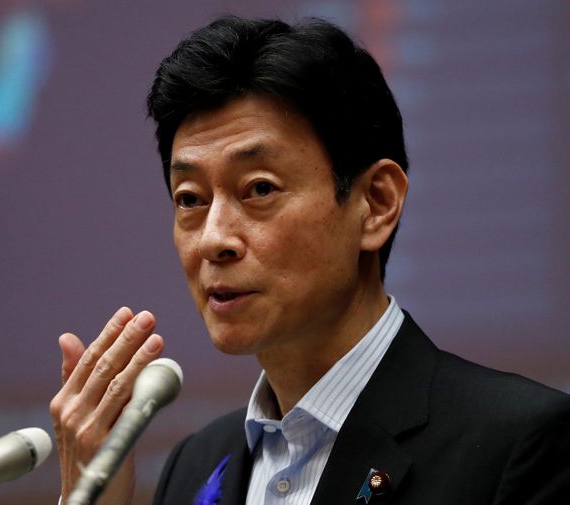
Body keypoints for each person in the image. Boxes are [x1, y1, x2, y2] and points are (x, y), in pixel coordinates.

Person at [50, 15, 570, 505]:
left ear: (376, 203)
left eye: (258, 189)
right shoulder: (197, 464)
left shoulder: (519, 444)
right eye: (190, 198)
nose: (213, 240)